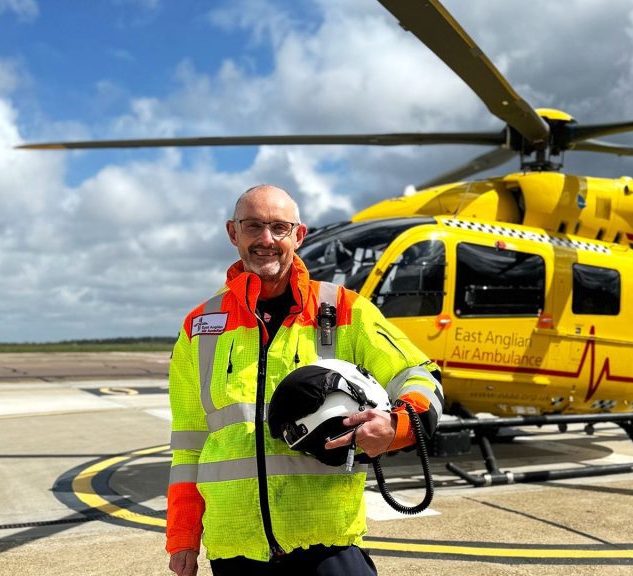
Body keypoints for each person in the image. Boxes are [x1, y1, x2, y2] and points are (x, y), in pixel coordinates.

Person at [166, 184, 444, 575]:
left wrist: (396, 426)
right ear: (233, 233)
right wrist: (183, 538)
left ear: (299, 235)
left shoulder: (346, 309)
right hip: (236, 548)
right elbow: (188, 449)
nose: (267, 239)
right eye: (253, 226)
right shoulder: (200, 327)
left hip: (326, 542)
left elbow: (419, 376)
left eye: (279, 227)